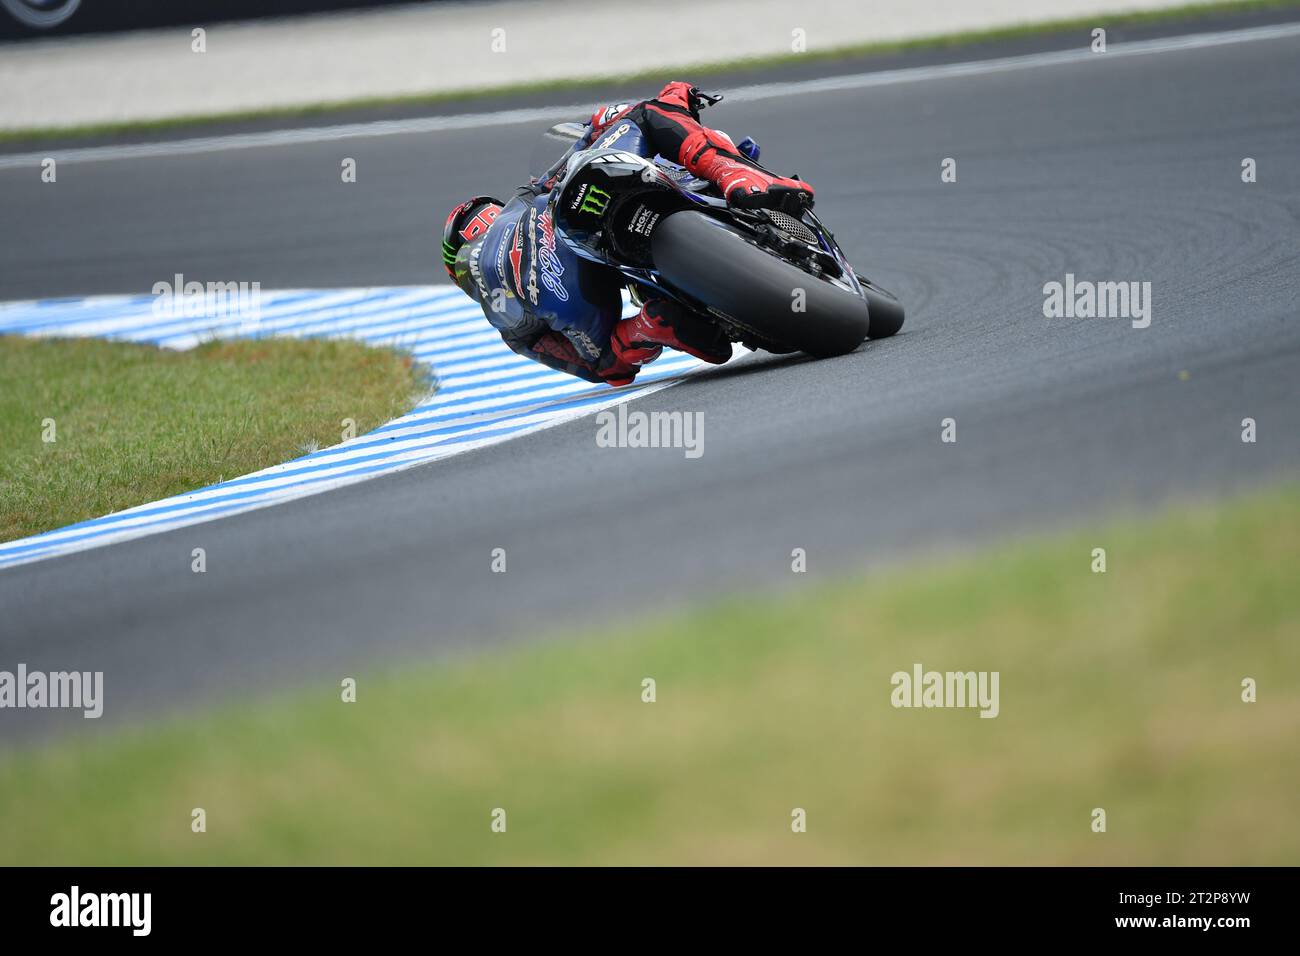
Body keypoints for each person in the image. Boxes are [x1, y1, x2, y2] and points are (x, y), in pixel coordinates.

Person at [441, 81, 814, 386]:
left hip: (581, 301)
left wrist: (634, 337)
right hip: (581, 235)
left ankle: (651, 326)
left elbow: (606, 371)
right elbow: (587, 142)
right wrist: (669, 99)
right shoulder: (529, 196)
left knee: (612, 355)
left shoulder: (509, 324)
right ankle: (732, 172)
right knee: (646, 114)